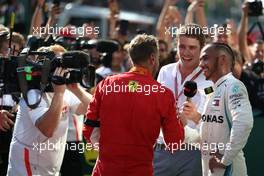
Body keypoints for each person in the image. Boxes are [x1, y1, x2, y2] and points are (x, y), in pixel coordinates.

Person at [83, 34, 184, 176]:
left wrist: (108, 151)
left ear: (131, 58)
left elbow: (88, 131)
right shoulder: (163, 94)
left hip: (105, 169)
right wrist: (181, 122)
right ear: (152, 59)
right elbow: (174, 143)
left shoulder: (106, 84)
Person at [7, 48, 92, 176]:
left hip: (50, 169)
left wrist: (76, 89)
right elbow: (47, 129)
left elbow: (91, 109)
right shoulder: (32, 93)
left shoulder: (62, 90)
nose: (62, 70)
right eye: (58, 65)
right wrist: (59, 93)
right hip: (27, 169)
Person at [154, 24, 213, 176]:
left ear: (202, 49)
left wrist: (196, 117)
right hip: (162, 147)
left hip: (193, 150)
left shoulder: (210, 79)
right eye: (182, 46)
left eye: (192, 48)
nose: (186, 53)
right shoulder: (165, 71)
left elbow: (215, 122)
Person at [199, 42, 253, 176]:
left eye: (205, 58)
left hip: (229, 170)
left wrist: (224, 160)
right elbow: (206, 133)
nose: (200, 64)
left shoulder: (234, 86)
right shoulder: (211, 89)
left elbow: (244, 124)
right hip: (210, 170)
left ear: (222, 59)